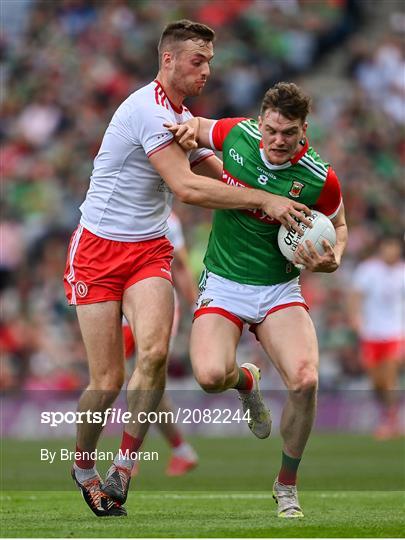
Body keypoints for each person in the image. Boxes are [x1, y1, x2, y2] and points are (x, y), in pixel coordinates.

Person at [63, 20, 312, 517]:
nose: (207, 70)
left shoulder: (180, 114)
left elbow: (210, 167)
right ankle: (84, 467)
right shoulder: (145, 109)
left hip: (150, 249)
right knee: (107, 380)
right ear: (169, 60)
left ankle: (124, 468)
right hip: (96, 249)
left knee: (154, 353)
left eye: (210, 62)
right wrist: (264, 199)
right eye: (198, 61)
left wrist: (266, 200)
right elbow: (186, 187)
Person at [166, 81, 348, 518]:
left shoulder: (320, 178)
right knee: (210, 376)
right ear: (259, 122)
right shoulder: (236, 135)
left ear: (304, 129)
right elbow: (193, 127)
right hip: (224, 282)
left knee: (305, 380)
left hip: (279, 288)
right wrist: (189, 133)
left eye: (289, 132)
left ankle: (287, 486)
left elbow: (339, 227)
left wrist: (333, 259)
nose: (278, 140)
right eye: (272, 130)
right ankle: (246, 381)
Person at [123, 212, 198, 477]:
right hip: (121, 305)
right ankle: (180, 450)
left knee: (144, 375)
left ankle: (129, 456)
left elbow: (180, 266)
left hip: (158, 303)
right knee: (141, 382)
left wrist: (197, 311)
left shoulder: (169, 219)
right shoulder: (111, 207)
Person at [348, 237, 404, 440]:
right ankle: (390, 416)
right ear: (382, 248)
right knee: (376, 382)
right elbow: (355, 295)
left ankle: (390, 422)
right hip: (370, 333)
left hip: (395, 333)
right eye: (388, 246)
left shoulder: (402, 272)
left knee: (389, 379)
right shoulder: (368, 270)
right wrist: (355, 317)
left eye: (395, 247)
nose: (392, 251)